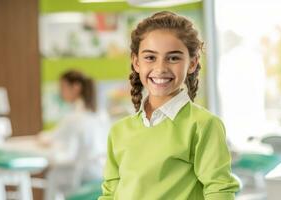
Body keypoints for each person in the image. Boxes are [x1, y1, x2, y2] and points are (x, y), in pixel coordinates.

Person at [98, 11, 239, 200]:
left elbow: (219, 192)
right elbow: (109, 194)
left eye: (173, 58)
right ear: (136, 62)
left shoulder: (203, 125)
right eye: (150, 57)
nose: (161, 68)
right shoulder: (119, 131)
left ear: (192, 63)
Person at [38, 70, 109, 200]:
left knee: (53, 175)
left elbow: (52, 140)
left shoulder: (74, 118)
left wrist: (43, 140)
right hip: (103, 172)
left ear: (75, 87)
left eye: (62, 87)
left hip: (85, 174)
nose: (60, 92)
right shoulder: (100, 114)